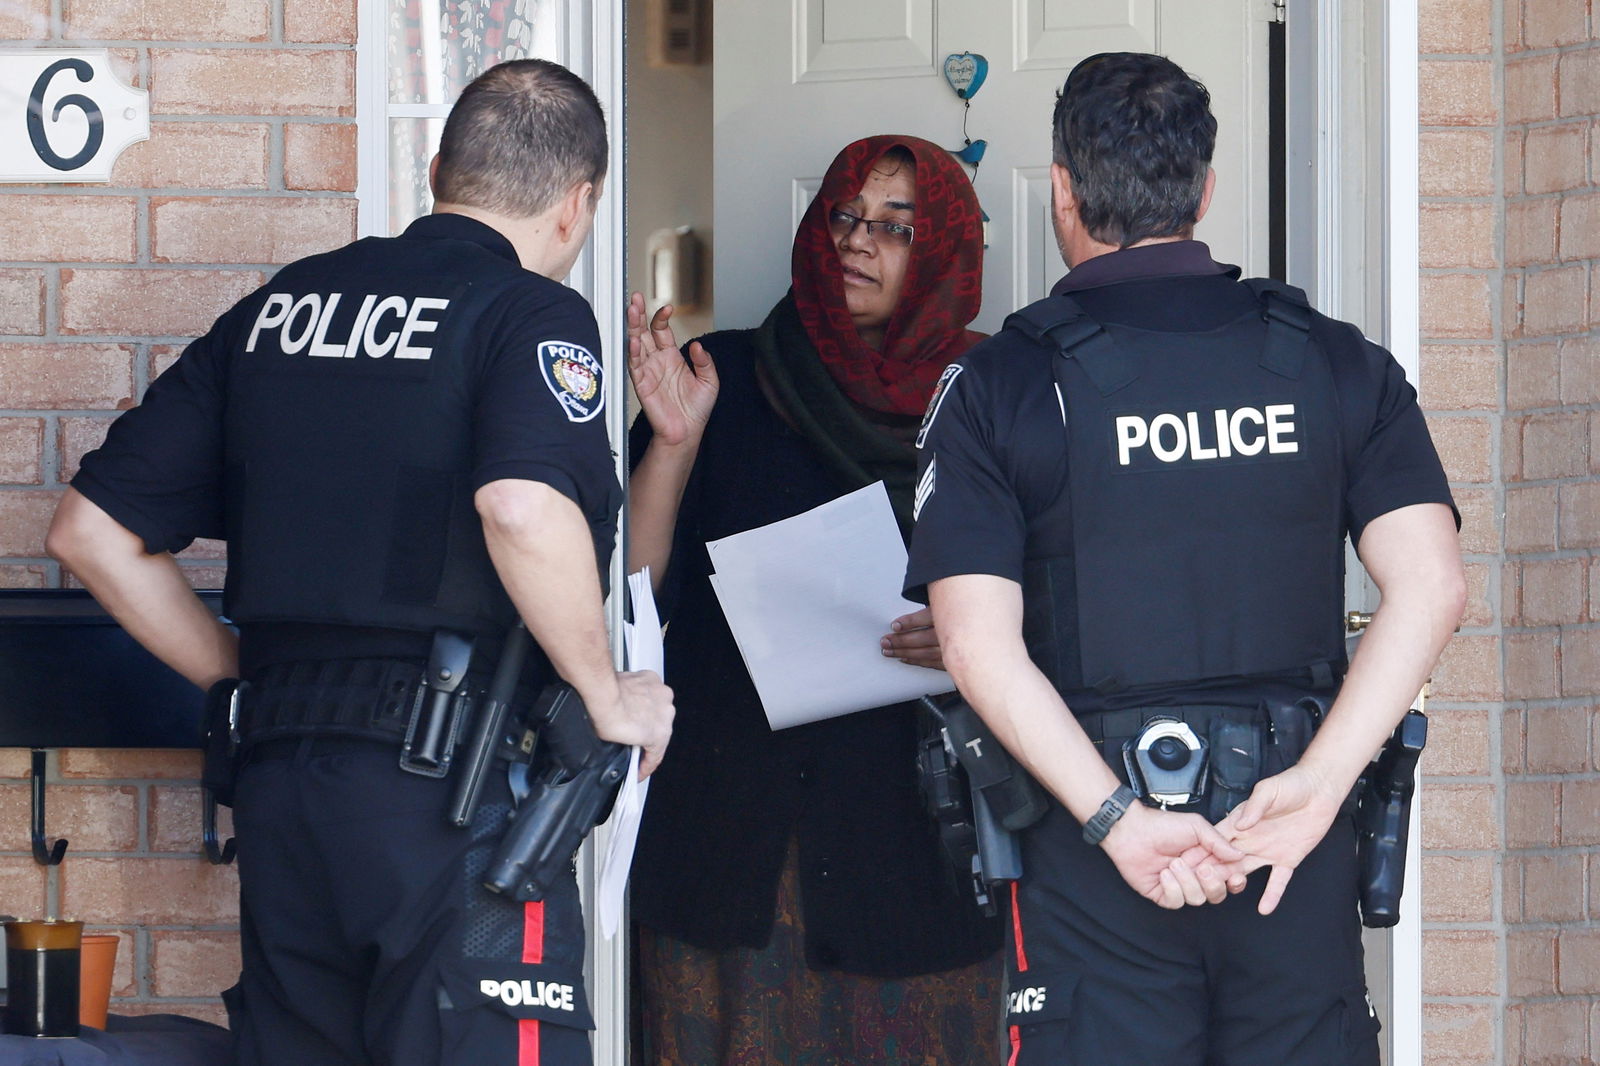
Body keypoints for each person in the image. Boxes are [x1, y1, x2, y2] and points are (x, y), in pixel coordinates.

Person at [45, 59, 673, 1066]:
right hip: (449, 805)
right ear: (578, 204)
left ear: (437, 168)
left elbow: (89, 531)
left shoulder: (281, 309)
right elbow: (519, 505)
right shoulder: (527, 316)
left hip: (285, 792)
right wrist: (606, 693)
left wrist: (238, 675)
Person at [906, 53, 1465, 1065]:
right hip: (1287, 839)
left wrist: (1117, 818)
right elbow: (1430, 585)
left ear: (1062, 191)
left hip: (1095, 854)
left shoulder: (1003, 383)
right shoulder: (1335, 360)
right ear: (1206, 190)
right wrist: (1320, 786)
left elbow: (970, 643)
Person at [624, 135, 1002, 1064]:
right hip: (732, 831)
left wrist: (973, 642)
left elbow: (1061, 586)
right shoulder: (726, 378)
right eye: (844, 217)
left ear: (944, 251)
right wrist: (673, 445)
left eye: (895, 228)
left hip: (910, 842)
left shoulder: (992, 396)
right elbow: (631, 593)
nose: (857, 243)